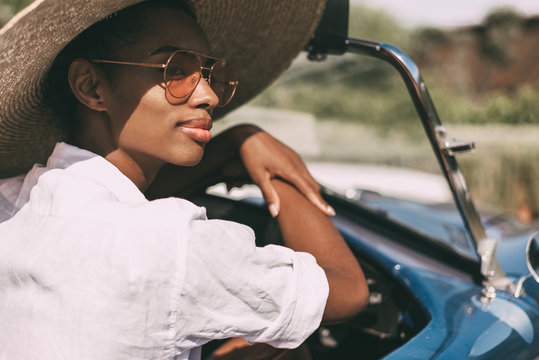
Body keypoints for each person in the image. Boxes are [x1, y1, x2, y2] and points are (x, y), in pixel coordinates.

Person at [0, 0, 368, 359]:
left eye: (209, 73)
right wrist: (281, 177)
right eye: (174, 70)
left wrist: (234, 143)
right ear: (91, 86)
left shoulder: (13, 203)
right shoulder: (174, 245)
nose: (209, 96)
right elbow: (347, 293)